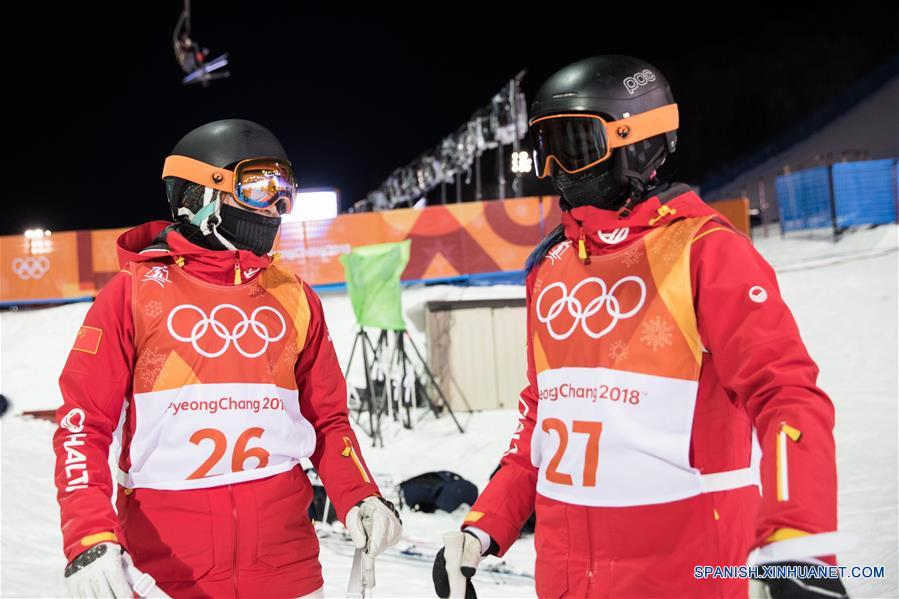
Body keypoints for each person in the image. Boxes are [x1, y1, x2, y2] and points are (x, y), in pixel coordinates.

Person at [432, 56, 849, 598]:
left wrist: (798, 541)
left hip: (685, 574)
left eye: (576, 144)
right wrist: (483, 526)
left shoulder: (705, 252)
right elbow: (543, 419)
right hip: (566, 580)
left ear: (639, 141)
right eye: (545, 147)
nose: (557, 167)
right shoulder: (550, 267)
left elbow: (786, 396)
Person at [54, 119, 402, 598]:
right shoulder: (134, 294)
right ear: (201, 194)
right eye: (258, 187)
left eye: (285, 191)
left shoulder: (294, 298)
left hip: (286, 570)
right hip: (168, 574)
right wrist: (89, 536)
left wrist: (359, 494)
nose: (276, 206)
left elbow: (327, 420)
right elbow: (82, 426)